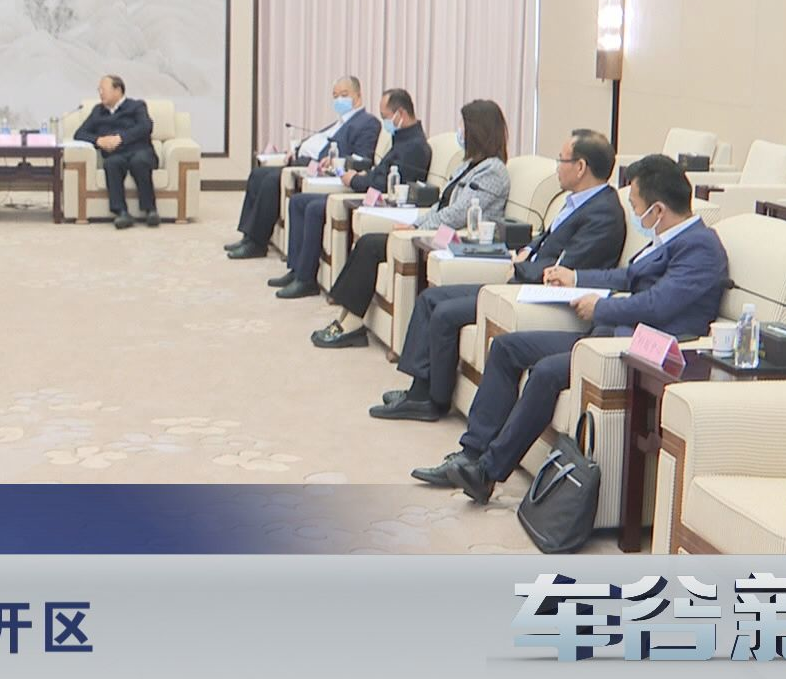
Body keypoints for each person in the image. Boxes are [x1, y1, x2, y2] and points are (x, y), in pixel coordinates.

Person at [418, 155, 728, 504]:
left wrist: (600, 306)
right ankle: (471, 453)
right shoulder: (668, 238)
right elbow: (628, 276)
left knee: (547, 371)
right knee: (506, 348)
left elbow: (659, 304)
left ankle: (487, 473)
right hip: (606, 334)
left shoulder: (701, 248)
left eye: (636, 206)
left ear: (658, 210)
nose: (633, 212)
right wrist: (576, 278)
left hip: (638, 348)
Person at [370, 129, 626, 421]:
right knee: (431, 298)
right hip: (521, 281)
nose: (557, 167)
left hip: (541, 295)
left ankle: (432, 401)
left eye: (561, 160)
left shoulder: (603, 213)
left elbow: (566, 268)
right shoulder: (574, 201)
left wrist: (520, 266)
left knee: (445, 313)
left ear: (580, 167)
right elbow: (545, 241)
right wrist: (525, 251)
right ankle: (419, 390)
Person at [303, 100, 513, 331]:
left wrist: (417, 229)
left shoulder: (493, 170)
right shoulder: (469, 165)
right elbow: (440, 205)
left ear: (478, 131)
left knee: (372, 245)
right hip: (437, 231)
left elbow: (459, 213)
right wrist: (415, 224)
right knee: (368, 242)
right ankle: (345, 315)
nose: (460, 132)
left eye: (464, 126)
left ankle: (351, 323)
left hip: (459, 239)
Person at [272, 89, 432, 297]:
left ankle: (306, 279)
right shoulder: (401, 138)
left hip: (380, 200)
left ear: (400, 114)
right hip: (367, 188)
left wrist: (355, 180)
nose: (384, 122)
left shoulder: (415, 145)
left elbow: (388, 184)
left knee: (314, 208)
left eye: (385, 116)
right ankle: (296, 269)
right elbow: (381, 171)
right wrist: (362, 174)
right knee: (298, 201)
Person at [225, 76, 378, 259]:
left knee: (272, 181)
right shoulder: (340, 121)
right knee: (258, 174)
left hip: (321, 169)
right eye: (335, 96)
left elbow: (362, 158)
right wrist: (296, 149)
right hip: (305, 162)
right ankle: (248, 235)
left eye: (344, 95)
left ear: (358, 96)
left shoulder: (367, 122)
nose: (339, 100)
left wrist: (336, 161)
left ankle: (257, 243)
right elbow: (319, 140)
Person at [75, 74, 159, 228]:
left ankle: (150, 210)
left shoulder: (136, 106)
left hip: (139, 150)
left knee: (139, 162)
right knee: (111, 164)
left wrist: (121, 138)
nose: (100, 93)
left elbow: (146, 126)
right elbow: (79, 134)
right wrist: (98, 140)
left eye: (104, 89)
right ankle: (121, 213)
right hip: (116, 154)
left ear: (118, 90)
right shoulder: (98, 111)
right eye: (99, 90)